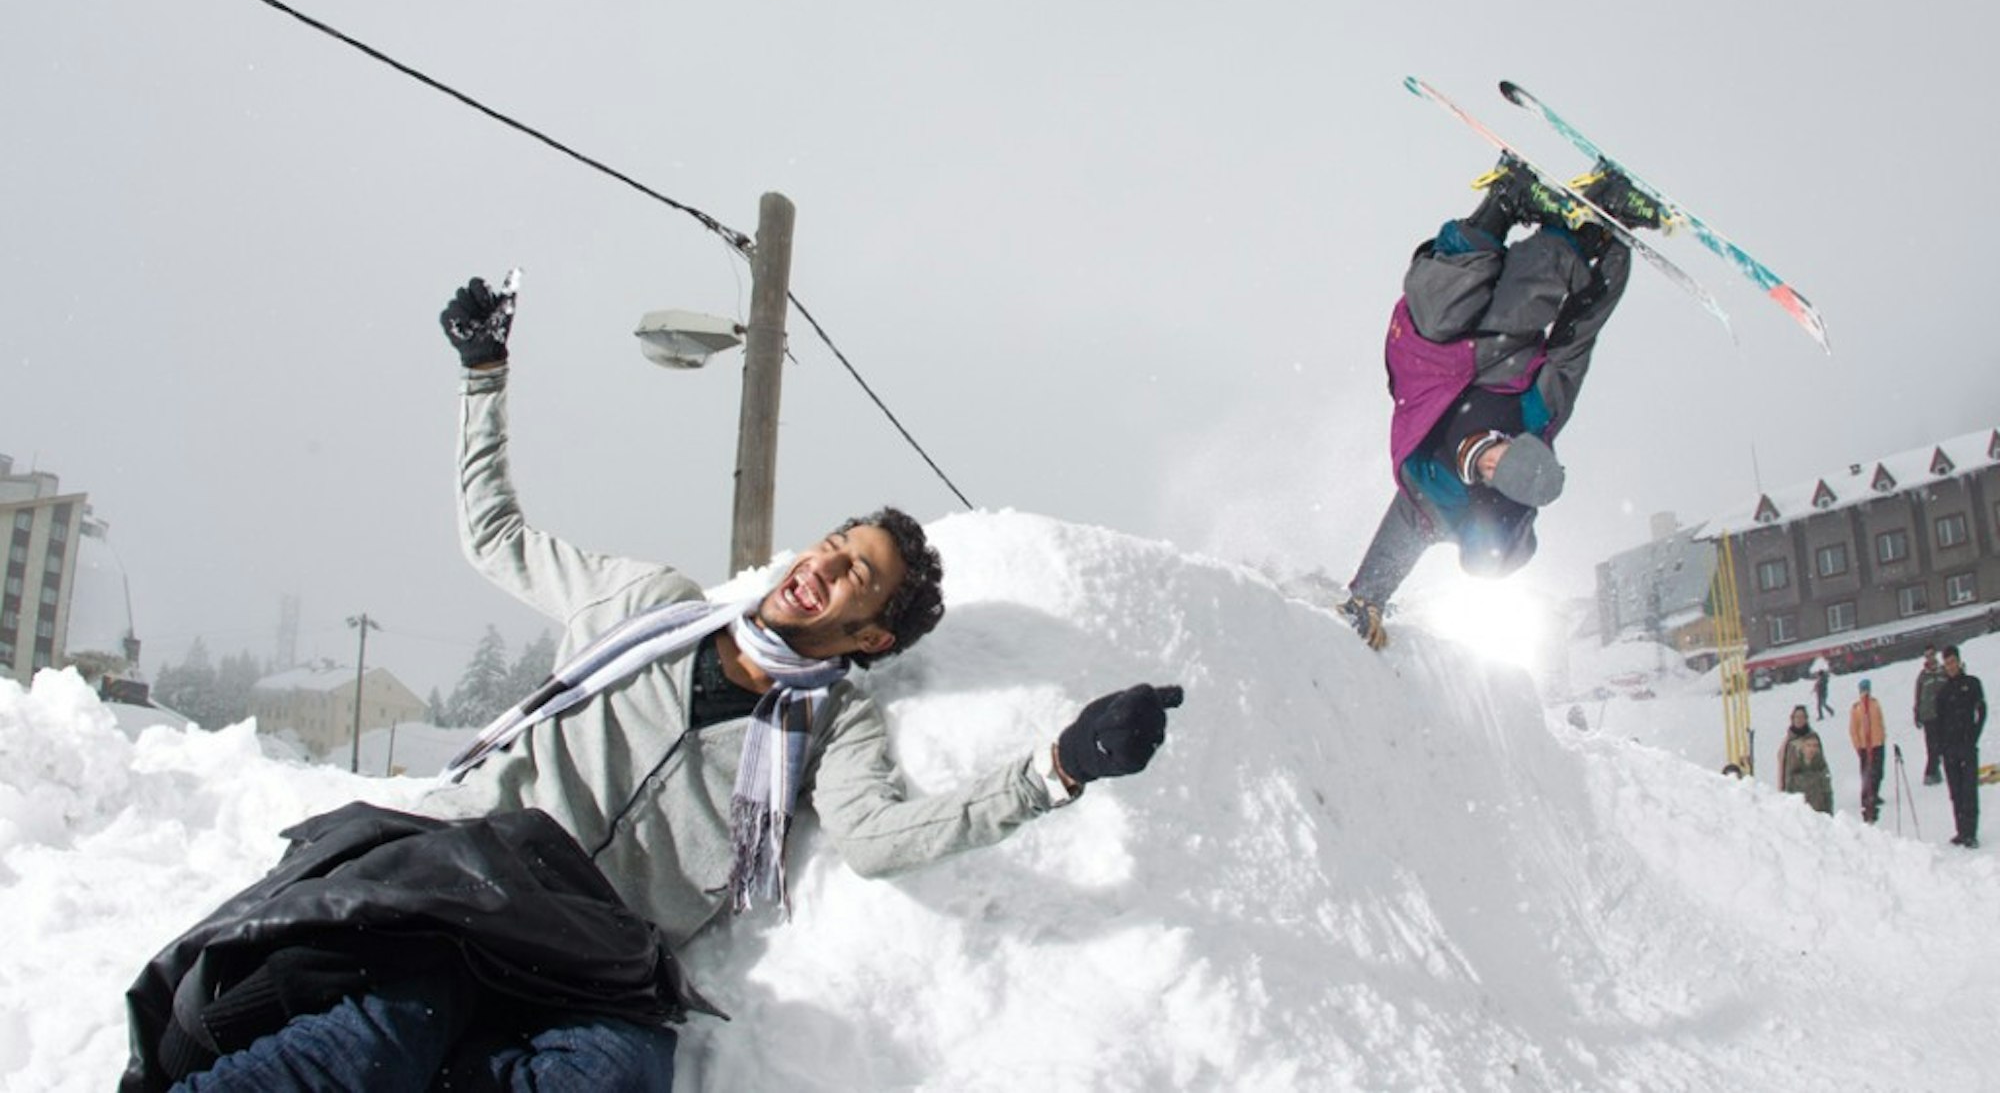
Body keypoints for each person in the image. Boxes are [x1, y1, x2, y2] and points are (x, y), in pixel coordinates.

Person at [122, 275, 1186, 1091]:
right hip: (471, 873)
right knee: (389, 1023)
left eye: (855, 574)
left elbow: (877, 839)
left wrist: (1057, 768)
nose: (821, 563)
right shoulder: (650, 606)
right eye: (833, 542)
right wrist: (483, 376)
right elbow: (497, 538)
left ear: (868, 635)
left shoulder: (831, 726)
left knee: (615, 1074)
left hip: (593, 948)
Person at [1338, 156, 1661, 649]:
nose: (1491, 456)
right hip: (1495, 346)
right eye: (1505, 453)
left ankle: (1508, 202)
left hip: (1426, 358)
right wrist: (1616, 248)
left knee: (1439, 307)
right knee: (1531, 292)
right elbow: (1577, 338)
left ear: (1486, 493)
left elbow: (1396, 541)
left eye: (1491, 468)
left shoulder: (1436, 501)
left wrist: (1368, 599)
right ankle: (1594, 213)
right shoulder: (1540, 414)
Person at [1936, 644, 1987, 848]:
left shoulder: (1972, 683)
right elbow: (1938, 723)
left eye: (1953, 662)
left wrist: (1974, 736)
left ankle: (1971, 833)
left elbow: (1982, 711)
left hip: (1967, 746)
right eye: (1947, 663)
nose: (1950, 666)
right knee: (1955, 792)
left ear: (1959, 662)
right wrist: (1941, 748)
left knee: (1969, 791)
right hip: (1950, 749)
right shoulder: (1943, 692)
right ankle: (1961, 831)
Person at [1777, 705, 1834, 815]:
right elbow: (1784, 769)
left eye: (1802, 717)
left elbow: (1822, 767)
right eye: (1796, 717)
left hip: (1815, 796)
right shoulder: (1787, 742)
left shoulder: (1813, 738)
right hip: (1795, 794)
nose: (1799, 720)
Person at [1849, 678, 1887, 824]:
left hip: (1878, 743)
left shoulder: (1875, 704)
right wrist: (1858, 746)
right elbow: (1853, 729)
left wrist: (1882, 737)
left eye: (1867, 689)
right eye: (1863, 689)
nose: (1865, 692)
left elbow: (1880, 721)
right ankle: (1866, 798)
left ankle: (1875, 794)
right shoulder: (1856, 708)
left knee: (1879, 772)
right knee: (1867, 774)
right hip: (1865, 746)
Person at [1914, 645, 1946, 785]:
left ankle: (1937, 769)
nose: (1930, 658)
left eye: (1932, 654)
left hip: (1943, 714)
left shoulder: (1943, 671)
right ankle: (1930, 773)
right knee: (1932, 746)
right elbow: (1918, 696)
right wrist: (1917, 713)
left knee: (1943, 745)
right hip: (1928, 715)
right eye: (1927, 656)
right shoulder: (1922, 676)